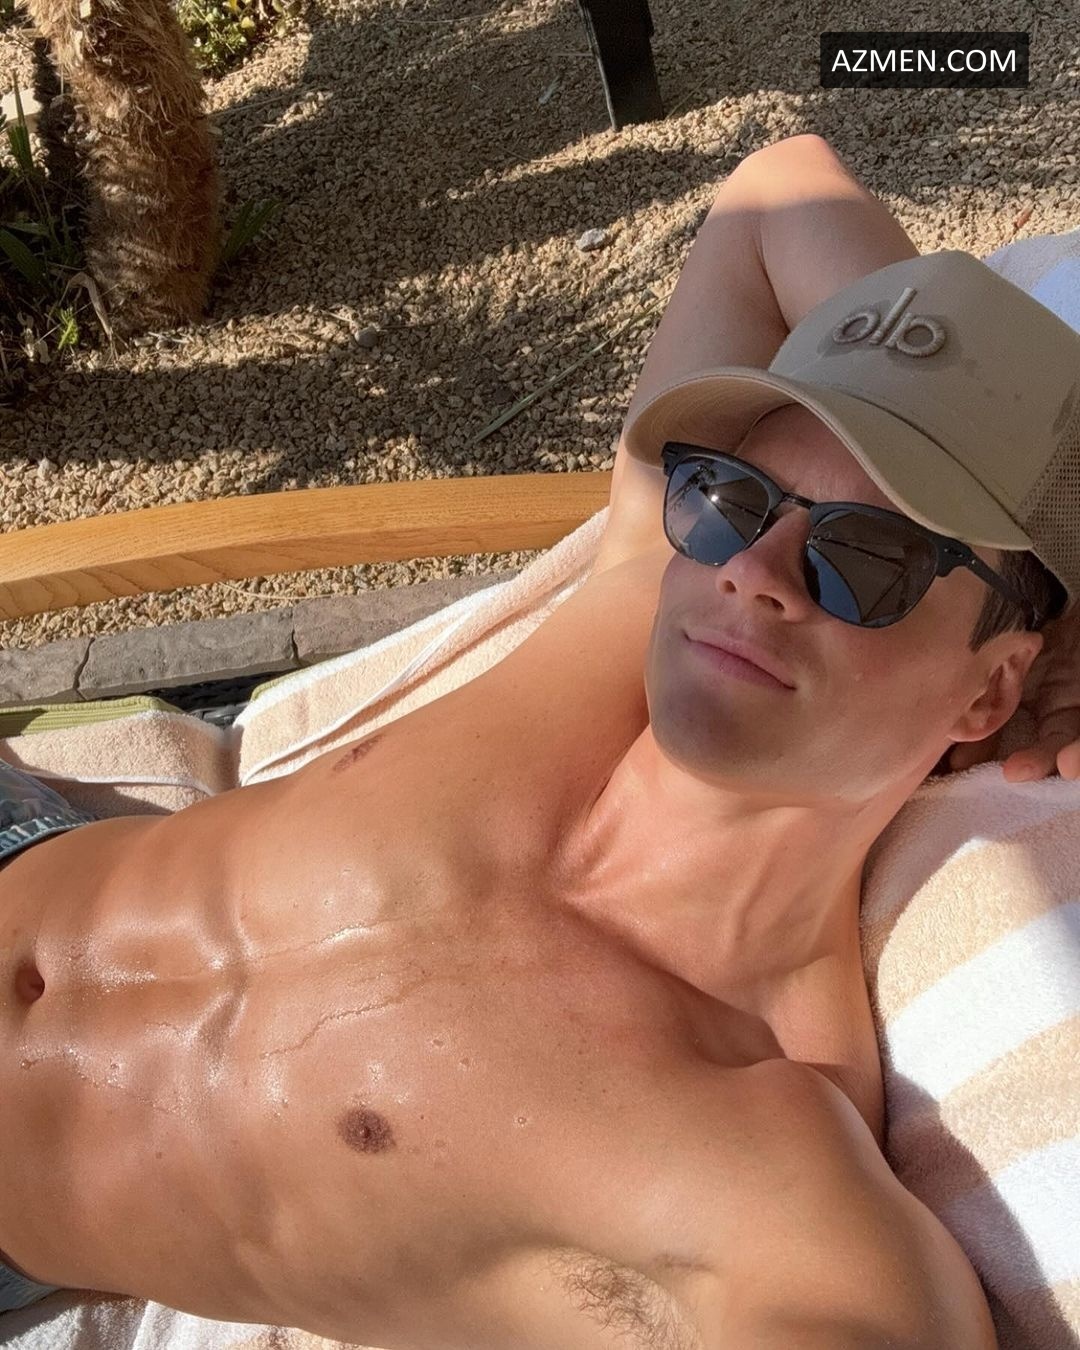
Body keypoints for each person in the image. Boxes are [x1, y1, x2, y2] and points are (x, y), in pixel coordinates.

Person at [1, 132, 1076, 1348]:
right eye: (732, 499)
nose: (757, 573)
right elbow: (779, 190)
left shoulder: (746, 1141)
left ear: (990, 690)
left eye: (866, 559)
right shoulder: (623, 620)